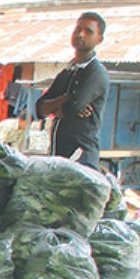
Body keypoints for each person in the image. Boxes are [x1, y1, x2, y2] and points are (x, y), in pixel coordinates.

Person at [36, 12, 109, 169]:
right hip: (59, 155)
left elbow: (72, 107)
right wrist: (63, 100)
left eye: (88, 31)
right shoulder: (68, 72)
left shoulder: (95, 72)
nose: (81, 34)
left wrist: (61, 106)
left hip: (81, 159)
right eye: (78, 29)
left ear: (99, 39)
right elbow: (39, 108)